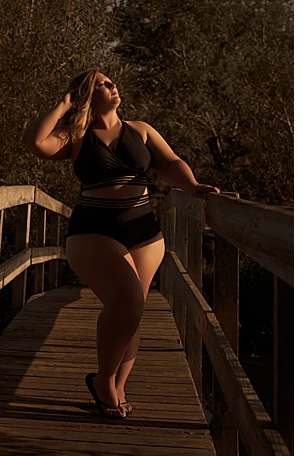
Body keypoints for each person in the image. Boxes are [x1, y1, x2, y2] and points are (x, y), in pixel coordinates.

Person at [21, 69, 219, 419]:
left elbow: (169, 163)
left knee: (133, 313)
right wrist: (65, 104)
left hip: (144, 234)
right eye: (102, 83)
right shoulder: (75, 135)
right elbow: (35, 142)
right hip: (93, 231)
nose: (113, 85)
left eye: (112, 81)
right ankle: (102, 382)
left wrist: (192, 186)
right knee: (127, 302)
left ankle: (116, 386)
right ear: (85, 94)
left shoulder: (140, 129)